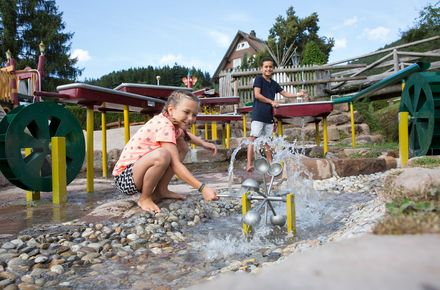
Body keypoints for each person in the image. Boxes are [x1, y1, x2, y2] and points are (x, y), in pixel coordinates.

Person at [112, 90, 219, 213]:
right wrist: (203, 188)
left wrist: (204, 144)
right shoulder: (164, 125)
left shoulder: (174, 124)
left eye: (194, 115)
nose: (191, 118)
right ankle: (145, 198)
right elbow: (176, 165)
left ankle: (161, 190)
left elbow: (186, 135)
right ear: (171, 110)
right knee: (162, 155)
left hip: (136, 174)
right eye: (186, 112)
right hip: (124, 179)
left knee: (183, 147)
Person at [246, 57, 306, 172]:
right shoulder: (259, 79)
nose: (268, 69)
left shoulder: (274, 84)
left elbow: (285, 94)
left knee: (266, 142)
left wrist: (298, 94)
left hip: (268, 117)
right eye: (266, 67)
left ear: (272, 68)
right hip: (258, 115)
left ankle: (271, 164)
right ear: (261, 68)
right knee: (253, 139)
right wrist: (271, 101)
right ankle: (249, 164)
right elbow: (257, 95)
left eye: (270, 67)